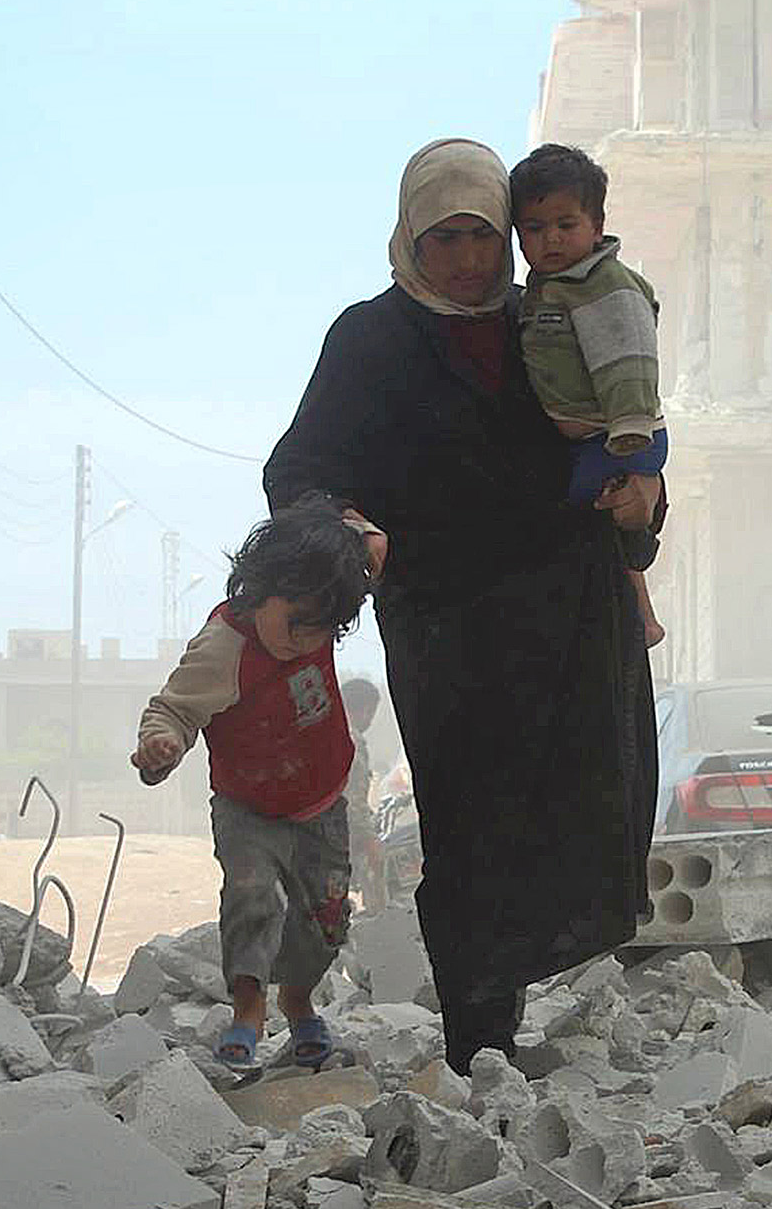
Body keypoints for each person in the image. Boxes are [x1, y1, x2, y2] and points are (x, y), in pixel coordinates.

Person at [264, 137, 661, 1074]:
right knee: (470, 824)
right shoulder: (371, 339)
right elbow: (299, 470)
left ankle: (507, 1028)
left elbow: (622, 429)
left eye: (485, 237)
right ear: (412, 238)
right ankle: (476, 1039)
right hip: (449, 623)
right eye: (446, 239)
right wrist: (347, 525)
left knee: (578, 807)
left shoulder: (551, 312)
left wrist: (643, 500)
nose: (470, 260)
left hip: (570, 617)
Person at [130, 494, 373, 1071]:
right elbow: (173, 709)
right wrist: (160, 746)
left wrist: (367, 536)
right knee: (251, 896)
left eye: (319, 632)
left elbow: (362, 547)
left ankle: (298, 1000)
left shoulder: (323, 599)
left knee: (327, 916)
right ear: (265, 587)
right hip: (249, 808)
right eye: (294, 624)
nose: (302, 642)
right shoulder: (225, 647)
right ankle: (248, 1008)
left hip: (322, 802)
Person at [509, 143, 667, 648]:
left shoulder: (603, 287)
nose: (551, 239)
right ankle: (642, 612)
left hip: (617, 436)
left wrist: (629, 428)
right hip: (596, 437)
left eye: (566, 224)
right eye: (534, 229)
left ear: (597, 227)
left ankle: (641, 610)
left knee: (571, 512)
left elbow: (628, 360)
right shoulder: (547, 293)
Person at [340, 676, 388, 912]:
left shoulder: (327, 734)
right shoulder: (353, 740)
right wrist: (369, 840)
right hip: (343, 833)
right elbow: (352, 800)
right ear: (365, 709)